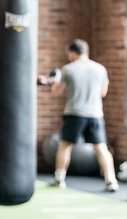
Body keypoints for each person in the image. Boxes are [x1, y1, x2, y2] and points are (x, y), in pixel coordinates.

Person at [40, 39, 118, 191]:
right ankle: (111, 180)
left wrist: (54, 83)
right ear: (86, 51)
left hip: (74, 113)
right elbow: (103, 93)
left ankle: (59, 179)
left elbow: (57, 92)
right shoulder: (100, 69)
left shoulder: (68, 69)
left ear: (72, 53)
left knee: (65, 146)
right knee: (101, 148)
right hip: (95, 114)